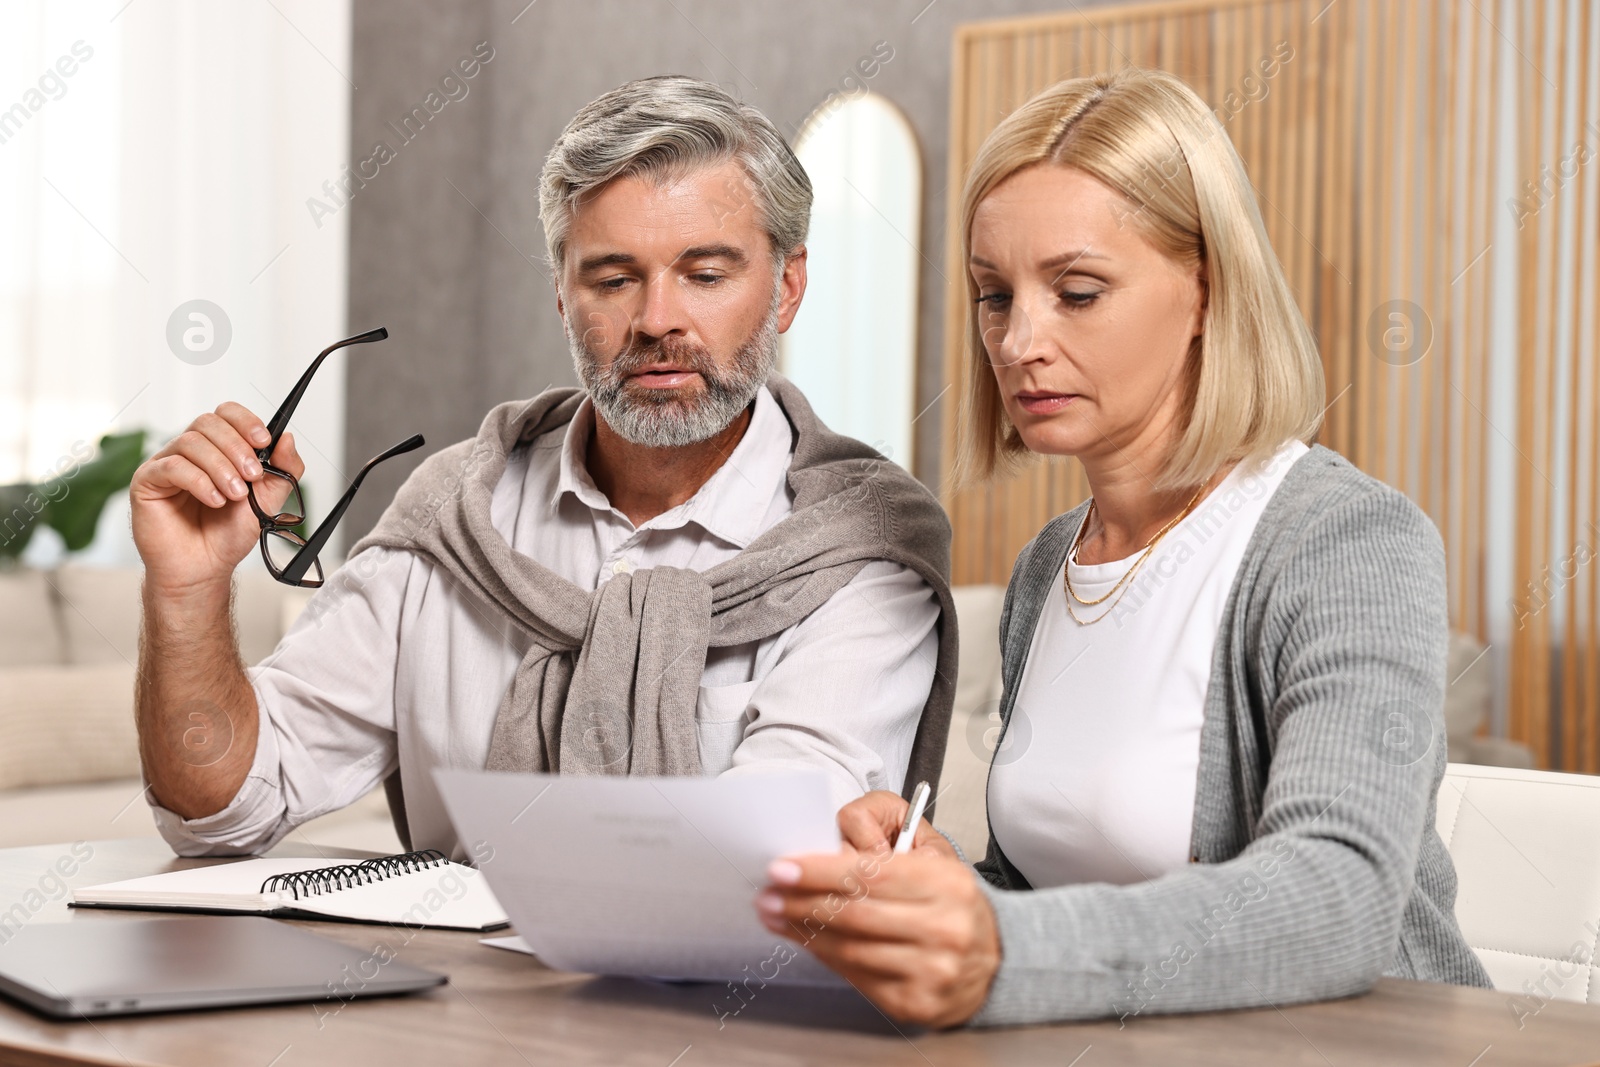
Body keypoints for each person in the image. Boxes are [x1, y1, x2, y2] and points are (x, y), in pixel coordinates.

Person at [756, 68, 1492, 1027]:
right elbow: (1056, 889)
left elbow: (1339, 896)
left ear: (1203, 292)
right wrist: (954, 893)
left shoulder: (1343, 541)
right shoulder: (1049, 565)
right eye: (994, 295)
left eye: (1078, 291)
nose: (1019, 340)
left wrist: (1000, 947)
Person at [130, 76, 956, 860]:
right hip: (436, 1008)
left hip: (710, 1012)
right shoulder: (454, 520)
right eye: (613, 278)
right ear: (563, 295)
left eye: (705, 274)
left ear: (786, 287)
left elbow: (764, 863)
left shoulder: (862, 554)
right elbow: (222, 808)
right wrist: (186, 591)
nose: (657, 320)